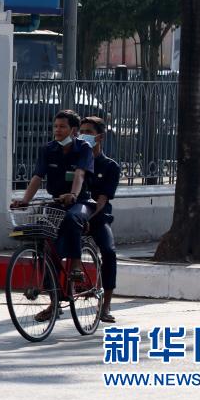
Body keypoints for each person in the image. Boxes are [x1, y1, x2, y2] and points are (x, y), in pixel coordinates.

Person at [11, 109, 94, 321]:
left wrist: (73, 195)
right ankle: (54, 302)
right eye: (55, 126)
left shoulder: (83, 148)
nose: (57, 130)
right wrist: (24, 200)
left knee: (72, 218)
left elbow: (80, 174)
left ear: (73, 130)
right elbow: (37, 177)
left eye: (62, 127)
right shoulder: (48, 149)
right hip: (56, 202)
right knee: (45, 248)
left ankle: (76, 265)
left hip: (80, 202)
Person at [79, 116, 120, 323]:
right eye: (81, 131)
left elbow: (102, 200)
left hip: (97, 216)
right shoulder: (75, 161)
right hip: (76, 213)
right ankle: (53, 302)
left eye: (89, 132)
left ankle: (105, 306)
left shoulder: (110, 166)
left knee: (109, 252)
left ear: (100, 137)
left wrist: (90, 219)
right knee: (50, 248)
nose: (83, 135)